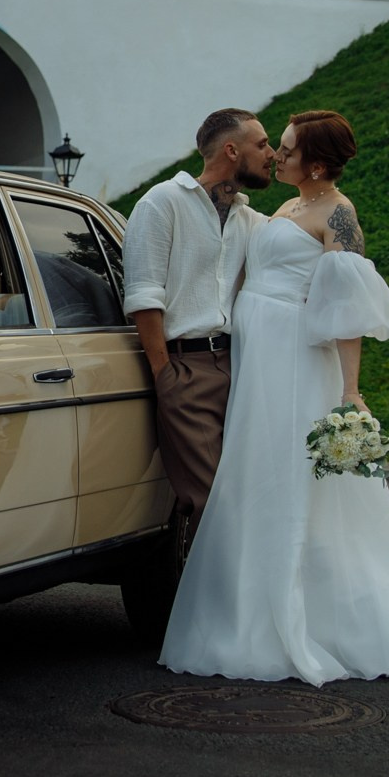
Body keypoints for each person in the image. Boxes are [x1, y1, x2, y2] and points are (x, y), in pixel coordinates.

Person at [159, 108, 389, 685]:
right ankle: (250, 607)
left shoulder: (338, 214)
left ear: (316, 164)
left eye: (288, 149)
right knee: (255, 470)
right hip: (258, 357)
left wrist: (350, 390)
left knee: (293, 478)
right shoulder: (288, 206)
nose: (277, 156)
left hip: (294, 358)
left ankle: (305, 619)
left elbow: (347, 309)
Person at [122, 108, 274, 556]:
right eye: (262, 144)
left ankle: (222, 592)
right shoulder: (162, 202)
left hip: (239, 368)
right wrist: (165, 375)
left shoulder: (250, 219)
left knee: (247, 493)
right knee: (212, 500)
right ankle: (213, 597)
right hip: (184, 368)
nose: (270, 154)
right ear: (232, 150)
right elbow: (144, 293)